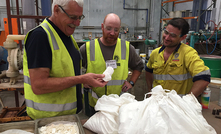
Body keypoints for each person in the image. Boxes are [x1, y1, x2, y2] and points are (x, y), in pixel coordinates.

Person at [23, 0, 107, 120]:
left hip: (67, 117)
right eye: (73, 17)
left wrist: (84, 81)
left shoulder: (66, 36)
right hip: (48, 120)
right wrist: (81, 79)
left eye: (80, 17)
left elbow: (65, 72)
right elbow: (39, 85)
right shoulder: (40, 36)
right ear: (56, 10)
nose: (77, 23)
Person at [80, 13, 144, 116]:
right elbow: (73, 68)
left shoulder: (126, 48)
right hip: (96, 104)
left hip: (119, 104)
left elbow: (139, 66)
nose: (112, 33)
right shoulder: (88, 48)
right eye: (109, 28)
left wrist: (131, 83)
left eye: (116, 30)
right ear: (102, 27)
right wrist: (81, 81)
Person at [145, 18, 210, 97]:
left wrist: (187, 101)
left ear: (182, 38)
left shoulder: (188, 53)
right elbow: (148, 70)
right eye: (166, 32)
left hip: (177, 106)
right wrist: (150, 91)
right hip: (157, 104)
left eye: (173, 35)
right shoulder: (155, 53)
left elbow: (204, 77)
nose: (167, 37)